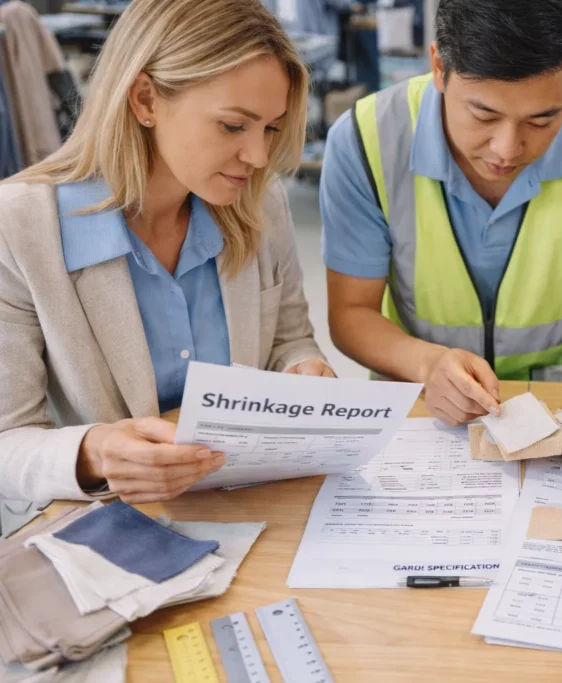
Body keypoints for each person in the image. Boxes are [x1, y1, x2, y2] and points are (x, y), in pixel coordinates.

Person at [0, 0, 332, 505]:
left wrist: (301, 371)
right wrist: (96, 452)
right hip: (113, 532)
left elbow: (290, 341)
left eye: (269, 127)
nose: (259, 156)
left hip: (250, 505)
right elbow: (7, 442)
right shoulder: (19, 227)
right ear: (145, 99)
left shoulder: (260, 202)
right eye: (233, 126)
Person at [320, 0, 562, 426]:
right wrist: (428, 365)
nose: (507, 148)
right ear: (439, 67)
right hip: (426, 403)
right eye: (483, 114)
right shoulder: (365, 138)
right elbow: (351, 313)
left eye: (542, 121)